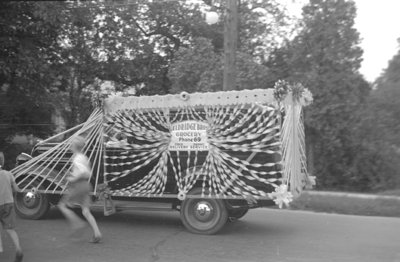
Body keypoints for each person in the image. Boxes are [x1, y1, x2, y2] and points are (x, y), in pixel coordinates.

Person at [58, 136, 102, 243]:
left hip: (79, 186)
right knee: (86, 211)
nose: (70, 147)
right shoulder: (84, 157)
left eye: (71, 145)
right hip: (86, 185)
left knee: (62, 206)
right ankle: (97, 233)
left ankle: (78, 224)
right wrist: (72, 174)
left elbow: (83, 172)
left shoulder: (77, 158)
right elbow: (87, 172)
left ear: (74, 146)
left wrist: (72, 178)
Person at [0, 152, 23, 262]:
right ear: (2, 162)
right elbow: (17, 189)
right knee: (10, 229)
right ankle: (18, 249)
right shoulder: (8, 174)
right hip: (8, 204)